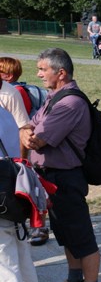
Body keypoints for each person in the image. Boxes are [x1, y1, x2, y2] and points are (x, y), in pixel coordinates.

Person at [20, 48, 101, 282]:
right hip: (52, 179)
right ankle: (75, 281)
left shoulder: (70, 103)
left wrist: (28, 135)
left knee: (82, 237)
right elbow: (28, 126)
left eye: (43, 69)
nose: (39, 74)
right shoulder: (53, 97)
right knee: (66, 235)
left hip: (66, 178)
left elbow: (36, 138)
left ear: (61, 73)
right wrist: (26, 132)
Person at [0, 109, 42, 282]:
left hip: (3, 198)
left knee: (6, 270)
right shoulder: (4, 111)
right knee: (21, 258)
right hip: (14, 194)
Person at [0, 57, 50, 246]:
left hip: (18, 153)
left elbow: (23, 126)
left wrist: (22, 159)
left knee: (33, 188)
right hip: (9, 155)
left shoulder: (12, 93)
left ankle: (40, 227)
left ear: (8, 75)